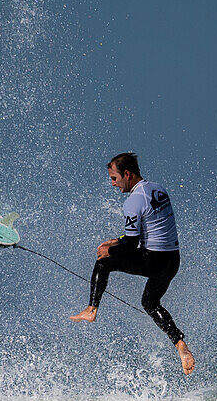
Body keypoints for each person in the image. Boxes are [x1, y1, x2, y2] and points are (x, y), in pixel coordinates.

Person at [70, 152, 195, 374]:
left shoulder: (133, 202)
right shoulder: (158, 189)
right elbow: (150, 228)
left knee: (103, 262)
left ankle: (91, 308)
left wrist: (110, 249)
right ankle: (179, 343)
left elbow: (132, 243)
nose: (113, 184)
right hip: (172, 260)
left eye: (115, 178)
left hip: (153, 260)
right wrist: (116, 240)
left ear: (127, 174)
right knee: (149, 302)